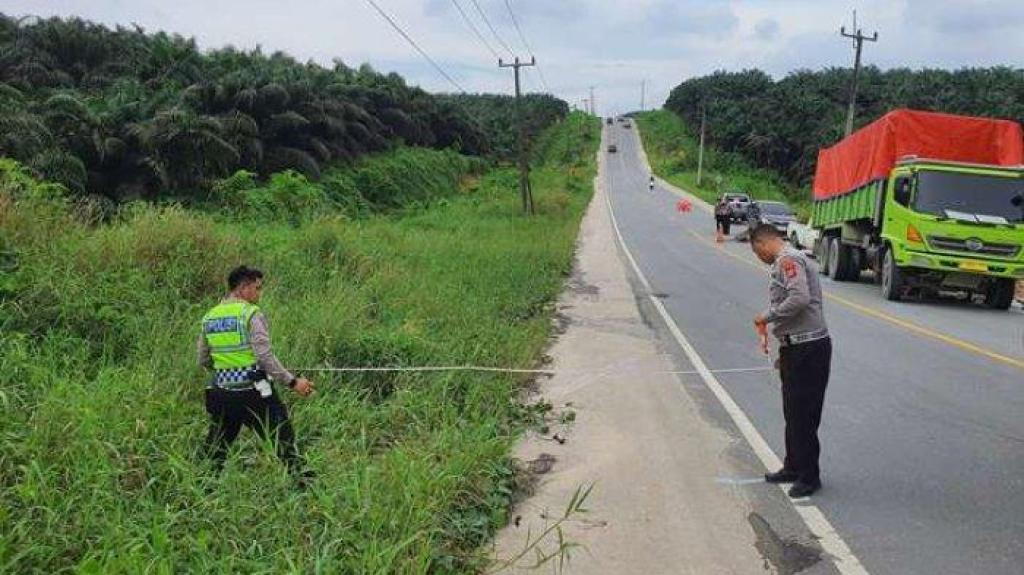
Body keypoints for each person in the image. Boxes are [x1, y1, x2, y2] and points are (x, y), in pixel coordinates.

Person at [197, 265, 316, 483]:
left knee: (215, 449)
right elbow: (264, 357)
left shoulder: (210, 317)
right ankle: (306, 488)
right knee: (284, 442)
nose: (259, 294)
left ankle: (201, 490)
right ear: (243, 288)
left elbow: (203, 359)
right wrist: (293, 381)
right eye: (257, 288)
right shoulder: (250, 313)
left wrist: (228, 370)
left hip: (223, 394)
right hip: (255, 393)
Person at [749, 225, 831, 498]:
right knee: (792, 412)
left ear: (762, 244)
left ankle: (809, 476)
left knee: (804, 415)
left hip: (808, 348)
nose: (760, 258)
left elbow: (799, 298)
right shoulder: (786, 261)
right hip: (795, 347)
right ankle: (793, 466)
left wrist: (767, 316)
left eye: (757, 253)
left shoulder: (788, 260)